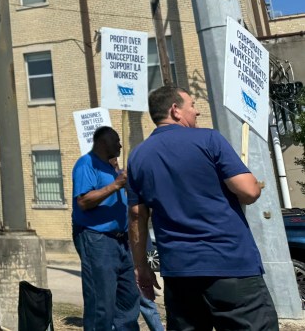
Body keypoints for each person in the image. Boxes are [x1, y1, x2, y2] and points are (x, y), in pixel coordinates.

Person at [127, 85, 279, 331]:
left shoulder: (137, 157)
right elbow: (249, 192)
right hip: (229, 265)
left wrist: (141, 267)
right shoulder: (210, 139)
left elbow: (136, 216)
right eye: (193, 105)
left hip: (179, 273)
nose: (197, 112)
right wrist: (255, 184)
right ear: (175, 110)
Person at [71, 126, 140, 330]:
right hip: (97, 238)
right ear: (102, 143)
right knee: (101, 301)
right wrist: (115, 185)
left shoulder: (111, 167)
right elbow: (83, 201)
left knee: (129, 296)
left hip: (121, 240)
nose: (120, 144)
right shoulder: (86, 164)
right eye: (116, 140)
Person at [109, 157, 164, 331]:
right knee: (125, 298)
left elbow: (138, 212)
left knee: (144, 297)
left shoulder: (125, 178)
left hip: (135, 245)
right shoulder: (106, 183)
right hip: (119, 246)